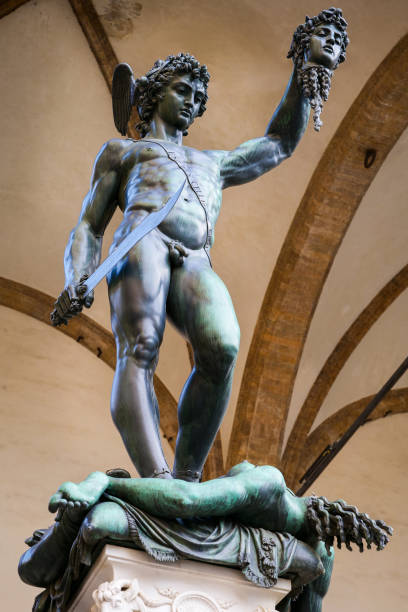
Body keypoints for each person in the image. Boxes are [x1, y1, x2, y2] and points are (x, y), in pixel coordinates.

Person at [52, 9, 348, 482]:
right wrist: (77, 275)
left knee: (222, 348)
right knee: (141, 346)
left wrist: (304, 70)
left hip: (195, 259)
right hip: (141, 240)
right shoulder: (124, 151)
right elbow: (88, 226)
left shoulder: (215, 162)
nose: (193, 102)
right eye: (183, 90)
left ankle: (187, 479)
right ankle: (156, 477)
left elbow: (278, 143)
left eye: (199, 96)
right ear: (153, 95)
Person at [19, 461, 391, 612]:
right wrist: (105, 483)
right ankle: (98, 490)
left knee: (98, 524)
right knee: (97, 524)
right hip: (186, 524)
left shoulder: (309, 550)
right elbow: (187, 498)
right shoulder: (269, 489)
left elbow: (188, 498)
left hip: (210, 534)